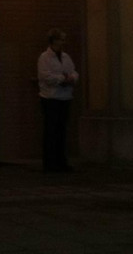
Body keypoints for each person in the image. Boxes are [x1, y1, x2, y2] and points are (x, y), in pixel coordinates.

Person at [37, 28, 78, 173]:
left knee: (61, 130)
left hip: (65, 97)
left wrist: (72, 78)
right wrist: (62, 79)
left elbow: (73, 71)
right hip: (51, 98)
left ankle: (61, 161)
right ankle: (50, 163)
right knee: (51, 131)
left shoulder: (66, 57)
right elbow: (45, 76)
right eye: (61, 39)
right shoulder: (44, 57)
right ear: (54, 40)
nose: (63, 42)